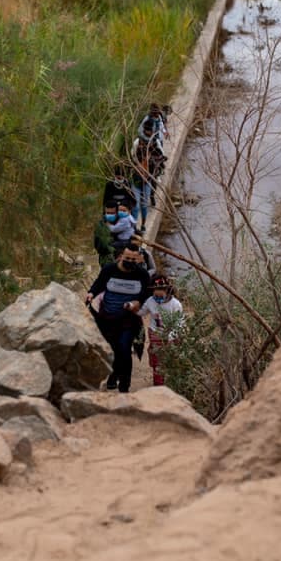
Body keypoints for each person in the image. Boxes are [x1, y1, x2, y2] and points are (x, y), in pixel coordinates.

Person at [86, 244, 150, 393]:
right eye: (127, 258)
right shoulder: (109, 270)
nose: (130, 262)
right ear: (121, 256)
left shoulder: (142, 274)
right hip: (106, 317)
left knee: (124, 348)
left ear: (138, 259)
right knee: (112, 349)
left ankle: (124, 386)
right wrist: (91, 293)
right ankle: (113, 376)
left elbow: (146, 293)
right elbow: (98, 284)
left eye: (134, 260)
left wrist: (137, 302)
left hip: (128, 319)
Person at [137, 275, 184, 386]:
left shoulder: (175, 304)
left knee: (172, 360)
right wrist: (133, 308)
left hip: (171, 335)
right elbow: (142, 312)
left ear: (167, 291)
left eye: (160, 295)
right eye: (155, 294)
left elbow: (180, 322)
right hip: (155, 333)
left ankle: (173, 384)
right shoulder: (150, 301)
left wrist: (171, 336)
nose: (157, 298)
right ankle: (158, 386)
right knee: (157, 362)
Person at [130, 121, 167, 233]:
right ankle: (134, 227)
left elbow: (162, 156)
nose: (144, 144)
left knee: (144, 205)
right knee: (135, 205)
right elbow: (132, 157)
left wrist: (156, 165)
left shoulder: (155, 144)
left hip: (148, 179)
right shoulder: (137, 144)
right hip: (136, 180)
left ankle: (143, 225)